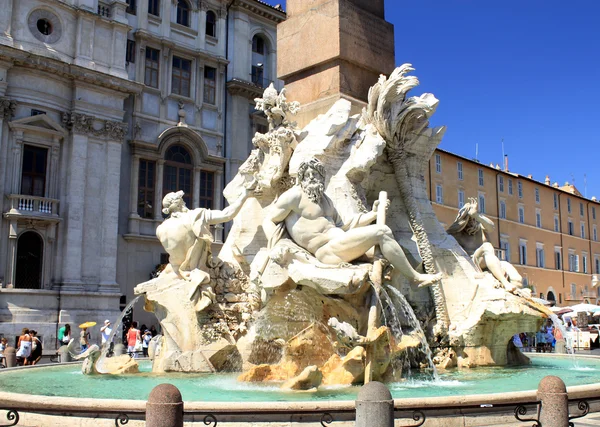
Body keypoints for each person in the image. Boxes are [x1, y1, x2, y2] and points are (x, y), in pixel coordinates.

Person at [266, 158, 442, 287]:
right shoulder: (295, 195)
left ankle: (398, 294)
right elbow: (271, 219)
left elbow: (344, 226)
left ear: (322, 178)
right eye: (307, 175)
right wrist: (277, 247)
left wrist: (373, 214)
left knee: (393, 256)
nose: (311, 178)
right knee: (382, 232)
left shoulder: (325, 201)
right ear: (301, 178)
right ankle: (415, 278)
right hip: (326, 252)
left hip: (341, 243)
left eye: (315, 174)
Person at [447, 198, 522, 292]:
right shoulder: (457, 233)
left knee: (517, 278)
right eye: (470, 219)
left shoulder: (482, 227)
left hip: (489, 261)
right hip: (472, 263)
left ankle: (518, 291)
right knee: (487, 246)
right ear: (464, 219)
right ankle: (505, 283)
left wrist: (476, 215)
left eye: (474, 219)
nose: (473, 222)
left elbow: (491, 226)